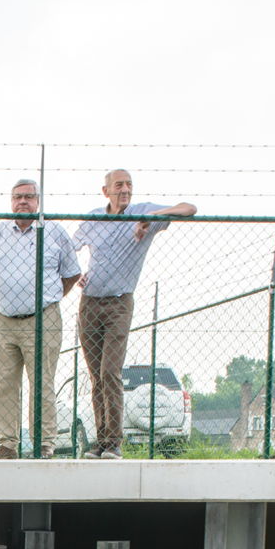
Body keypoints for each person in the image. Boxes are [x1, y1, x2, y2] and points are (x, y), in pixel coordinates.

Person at [74, 169, 197, 458]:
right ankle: (101, 441)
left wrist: (151, 218)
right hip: (89, 303)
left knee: (110, 371)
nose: (125, 190)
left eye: (129, 185)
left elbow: (189, 209)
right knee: (96, 377)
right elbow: (69, 249)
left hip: (119, 304)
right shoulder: (94, 219)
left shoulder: (143, 212)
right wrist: (76, 273)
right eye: (119, 185)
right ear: (106, 191)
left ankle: (114, 442)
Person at [0, 179, 81, 458]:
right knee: (5, 384)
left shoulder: (53, 232)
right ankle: (7, 444)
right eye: (17, 197)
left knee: (42, 383)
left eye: (28, 197)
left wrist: (48, 298)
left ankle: (44, 443)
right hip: (3, 320)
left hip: (42, 319)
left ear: (38, 201)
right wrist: (8, 296)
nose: (22, 202)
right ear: (11, 201)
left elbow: (72, 274)